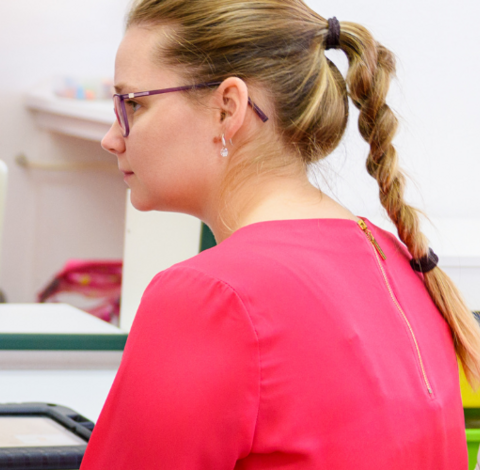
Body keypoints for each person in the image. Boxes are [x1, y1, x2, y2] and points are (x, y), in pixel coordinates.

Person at [83, 0, 477, 467]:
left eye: (133, 105)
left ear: (227, 108)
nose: (112, 137)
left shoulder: (210, 297)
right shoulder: (397, 259)